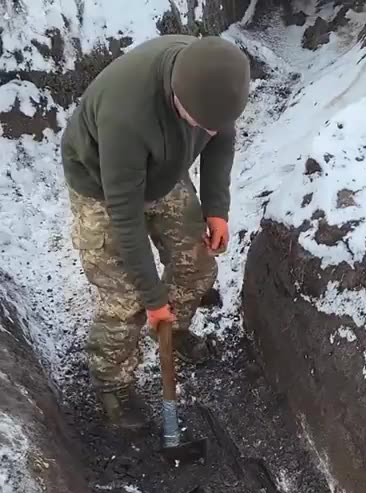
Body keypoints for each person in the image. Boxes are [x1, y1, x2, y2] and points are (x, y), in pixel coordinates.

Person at [61, 34, 250, 426]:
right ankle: (113, 384)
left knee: (197, 260)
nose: (206, 129)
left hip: (164, 168)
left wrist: (216, 208)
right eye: (198, 122)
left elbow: (221, 137)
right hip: (103, 184)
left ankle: (172, 332)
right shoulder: (126, 115)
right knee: (125, 297)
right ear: (176, 99)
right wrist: (152, 298)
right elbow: (126, 219)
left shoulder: (215, 82)